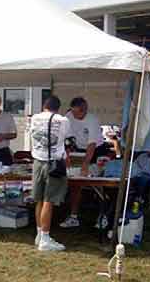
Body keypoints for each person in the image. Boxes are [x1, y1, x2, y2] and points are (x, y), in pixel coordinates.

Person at [60, 97, 109, 229]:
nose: (75, 116)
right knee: (75, 184)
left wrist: (85, 165)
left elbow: (92, 145)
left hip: (97, 151)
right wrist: (67, 155)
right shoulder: (68, 117)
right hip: (79, 150)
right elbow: (67, 139)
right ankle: (74, 216)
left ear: (84, 110)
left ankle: (103, 215)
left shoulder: (92, 120)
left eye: (78, 114)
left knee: (98, 183)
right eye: (73, 113)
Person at [30, 95, 70, 251]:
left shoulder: (34, 118)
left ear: (44, 106)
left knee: (39, 199)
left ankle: (39, 234)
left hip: (37, 161)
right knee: (49, 200)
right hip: (54, 163)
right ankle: (45, 239)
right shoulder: (62, 120)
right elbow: (65, 139)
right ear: (58, 107)